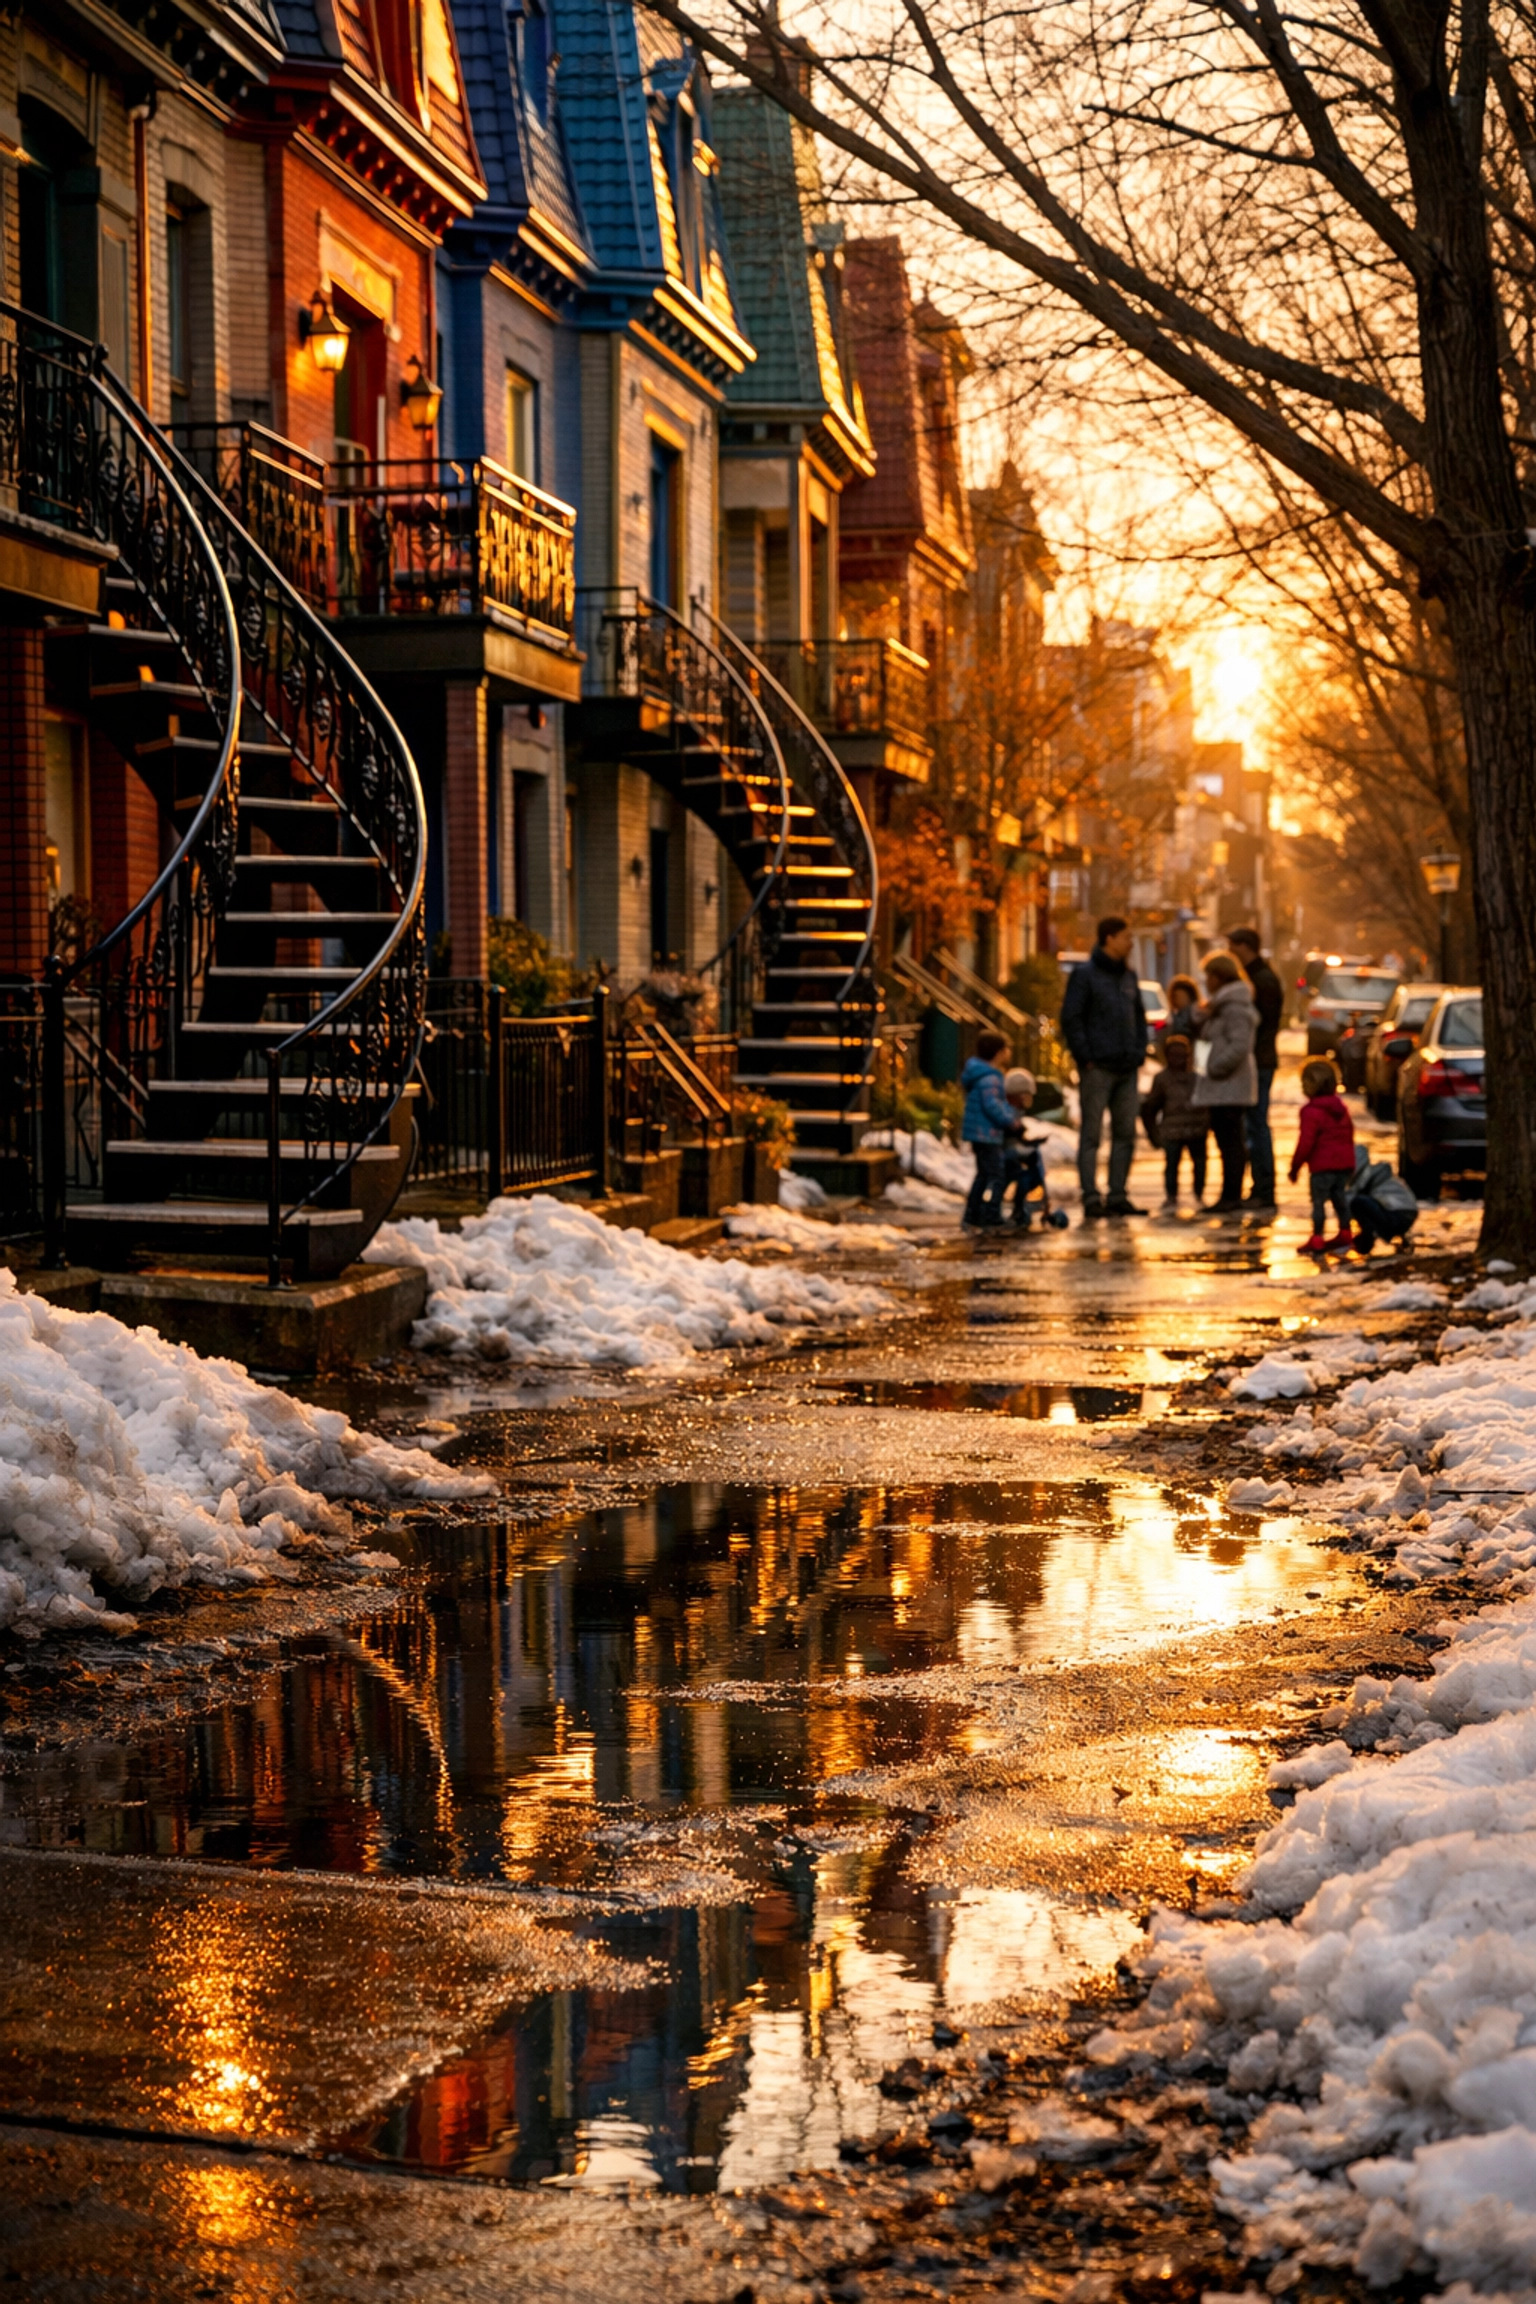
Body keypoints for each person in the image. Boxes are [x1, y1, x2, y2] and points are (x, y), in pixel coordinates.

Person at [1061, 915, 1149, 1218]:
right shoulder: (1085, 975)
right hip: (1097, 1067)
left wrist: (1139, 1051)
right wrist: (1085, 1056)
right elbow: (1072, 1017)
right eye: (1126, 937)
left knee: (1126, 1132)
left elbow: (1139, 1017)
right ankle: (1090, 1196)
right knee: (1092, 1134)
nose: (1131, 943)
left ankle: (1117, 1195)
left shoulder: (1128, 976)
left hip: (1127, 1067)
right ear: (1109, 938)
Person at [1190, 951, 1258, 1213]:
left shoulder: (1234, 1008)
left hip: (1229, 1086)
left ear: (1218, 977)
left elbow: (1240, 1045)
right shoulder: (1218, 1007)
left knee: (1230, 1142)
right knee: (1226, 1141)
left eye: (1208, 976)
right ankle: (1229, 1194)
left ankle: (1231, 1195)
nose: (1206, 982)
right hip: (1219, 1086)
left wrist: (1214, 1068)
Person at [1228, 928, 1283, 1215]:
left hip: (1258, 1061)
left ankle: (1264, 1188)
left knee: (1256, 1125)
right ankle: (1260, 1187)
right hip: (1258, 1059)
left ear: (1244, 947)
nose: (1230, 952)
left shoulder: (1260, 980)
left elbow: (1259, 1024)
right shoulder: (1259, 977)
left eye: (1233, 946)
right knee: (1254, 1125)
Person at [1289, 1057, 1357, 1252]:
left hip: (1322, 1166)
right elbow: (1348, 1135)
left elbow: (1306, 1142)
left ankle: (1317, 1237)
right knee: (1339, 1199)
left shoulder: (1311, 1111)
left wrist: (1295, 1167)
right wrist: (1350, 1162)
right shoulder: (1341, 1109)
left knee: (1318, 1202)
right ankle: (1345, 1232)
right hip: (1343, 1165)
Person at [960, 1029, 1023, 1230]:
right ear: (998, 1052)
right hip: (986, 1134)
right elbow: (993, 1105)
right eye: (1006, 1049)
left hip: (978, 1134)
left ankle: (973, 1213)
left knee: (983, 1174)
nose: (1009, 1052)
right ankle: (991, 1214)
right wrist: (1011, 1120)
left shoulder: (981, 1074)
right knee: (997, 1175)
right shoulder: (991, 1078)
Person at [1140, 1033, 1208, 1208]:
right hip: (1172, 1131)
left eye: (1182, 1055)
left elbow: (1207, 1105)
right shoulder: (1162, 1079)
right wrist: (1154, 1134)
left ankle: (1198, 1193)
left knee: (1199, 1163)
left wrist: (1206, 1124)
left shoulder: (1197, 1079)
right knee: (1172, 1165)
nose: (1178, 1059)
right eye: (1174, 1055)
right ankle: (1171, 1195)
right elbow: (1150, 1108)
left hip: (1196, 1130)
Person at [1347, 1144, 1419, 1255]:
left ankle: (1367, 1238)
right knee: (1362, 1203)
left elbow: (1350, 1201)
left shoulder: (1365, 1179)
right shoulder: (1377, 1174)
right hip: (1407, 1213)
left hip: (1398, 1215)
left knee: (1358, 1202)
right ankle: (1394, 1235)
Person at [1165, 974, 1202, 1043]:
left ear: (1190, 997)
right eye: (1175, 997)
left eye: (1181, 997)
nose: (1177, 1000)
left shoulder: (1196, 1014)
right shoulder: (1175, 1014)